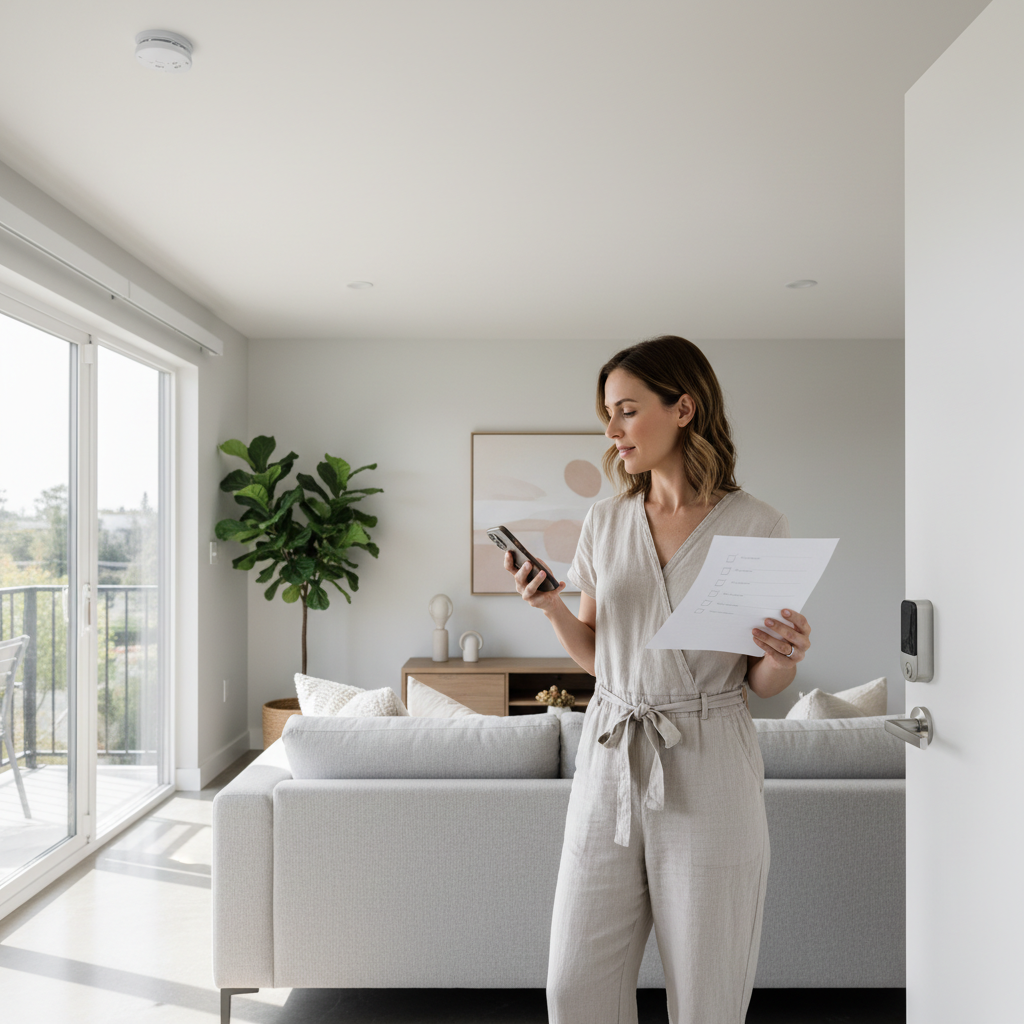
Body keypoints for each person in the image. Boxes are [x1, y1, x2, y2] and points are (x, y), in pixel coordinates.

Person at [503, 336, 810, 1024]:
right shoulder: (606, 521)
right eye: (607, 415)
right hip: (610, 749)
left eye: (626, 411)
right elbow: (596, 653)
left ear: (684, 408)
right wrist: (550, 605)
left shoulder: (759, 525)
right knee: (575, 986)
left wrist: (785, 654)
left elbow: (763, 682)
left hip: (709, 759)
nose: (611, 434)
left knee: (708, 992)